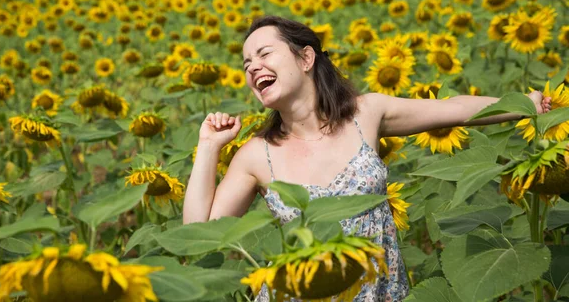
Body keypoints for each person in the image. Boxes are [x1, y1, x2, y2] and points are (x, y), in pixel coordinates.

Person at [183, 15, 552, 301]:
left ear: (306, 57)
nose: (252, 68)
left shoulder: (366, 115)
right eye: (247, 63)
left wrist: (524, 106)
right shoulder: (256, 155)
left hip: (381, 291)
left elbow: (453, 110)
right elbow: (198, 236)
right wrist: (209, 145)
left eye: (264, 54)